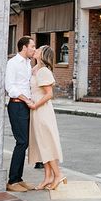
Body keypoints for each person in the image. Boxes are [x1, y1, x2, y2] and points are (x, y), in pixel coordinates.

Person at [28, 45, 66, 191]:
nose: (35, 50)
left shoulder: (43, 71)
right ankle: (47, 177)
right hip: (36, 110)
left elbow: (49, 94)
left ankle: (58, 175)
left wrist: (35, 105)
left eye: (38, 49)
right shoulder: (34, 69)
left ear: (42, 54)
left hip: (42, 110)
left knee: (46, 143)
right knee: (41, 144)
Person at [5, 35, 36, 192]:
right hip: (17, 106)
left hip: (26, 106)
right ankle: (12, 181)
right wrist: (26, 99)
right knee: (22, 141)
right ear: (24, 47)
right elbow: (10, 88)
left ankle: (18, 178)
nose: (34, 50)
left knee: (25, 142)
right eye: (32, 47)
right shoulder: (13, 63)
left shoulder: (28, 64)